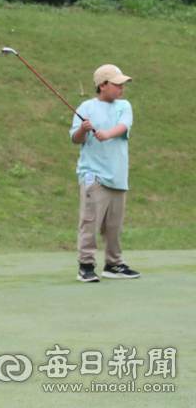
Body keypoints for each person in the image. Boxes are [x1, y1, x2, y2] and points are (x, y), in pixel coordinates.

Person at [70, 64, 141, 283]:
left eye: (123, 84)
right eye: (117, 84)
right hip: (93, 176)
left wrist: (107, 134)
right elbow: (76, 138)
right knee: (90, 221)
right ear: (102, 85)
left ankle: (114, 264)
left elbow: (124, 126)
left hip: (117, 175)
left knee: (114, 225)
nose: (122, 88)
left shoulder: (124, 105)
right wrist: (83, 128)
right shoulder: (86, 107)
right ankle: (86, 265)